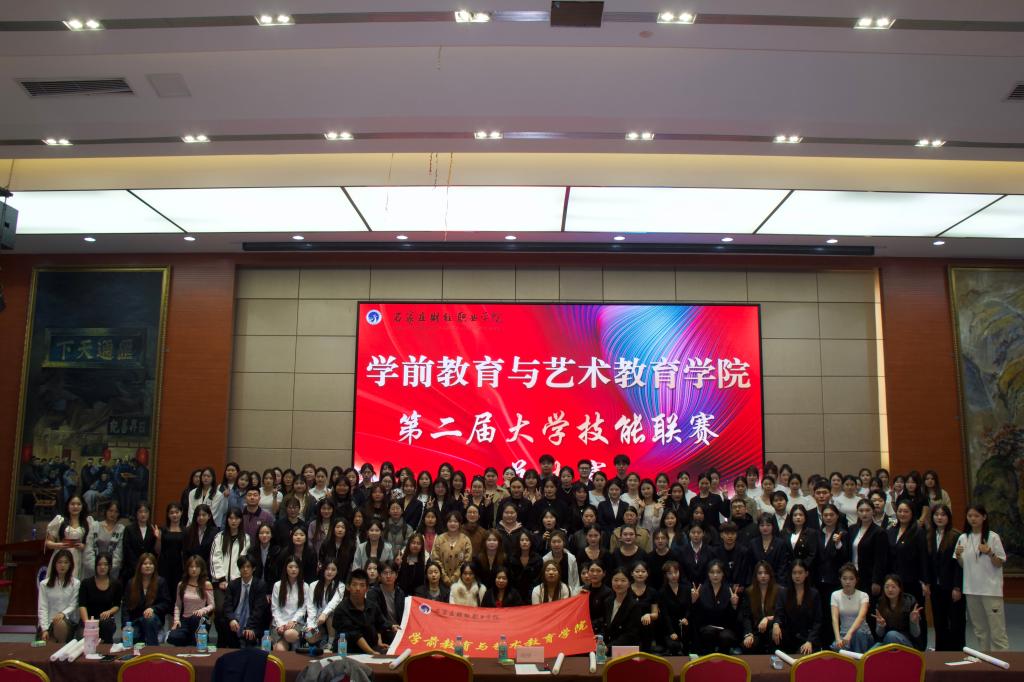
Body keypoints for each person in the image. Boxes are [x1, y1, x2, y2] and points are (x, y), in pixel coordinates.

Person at [954, 503, 1008, 651]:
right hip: (971, 590)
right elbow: (963, 565)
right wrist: (958, 556)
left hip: (990, 590)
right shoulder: (963, 538)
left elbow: (999, 563)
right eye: (970, 516)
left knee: (997, 632)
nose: (973, 519)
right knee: (980, 631)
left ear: (984, 517)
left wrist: (989, 552)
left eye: (976, 516)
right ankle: (985, 659)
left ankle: (1002, 661)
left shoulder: (993, 537)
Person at [211, 508, 252, 644]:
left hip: (237, 583)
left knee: (234, 612)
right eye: (231, 518)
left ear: (241, 520)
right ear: (227, 520)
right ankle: (222, 641)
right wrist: (221, 579)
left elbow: (244, 562)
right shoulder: (219, 537)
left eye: (236, 518)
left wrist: (236, 581)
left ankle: (233, 642)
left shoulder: (245, 538)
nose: (233, 521)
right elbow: (215, 558)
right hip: (220, 582)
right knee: (220, 610)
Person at [927, 504, 965, 651]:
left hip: (952, 586)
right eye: (936, 514)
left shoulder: (956, 536)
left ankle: (957, 652)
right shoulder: (929, 535)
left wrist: (957, 587)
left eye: (943, 515)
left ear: (948, 517)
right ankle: (941, 651)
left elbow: (958, 565)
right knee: (939, 621)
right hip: (936, 587)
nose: (939, 517)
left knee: (955, 622)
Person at [334, 569, 391, 654]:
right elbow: (355, 635)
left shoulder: (372, 606)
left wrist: (379, 643)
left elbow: (379, 625)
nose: (358, 588)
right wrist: (371, 652)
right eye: (354, 585)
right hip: (347, 652)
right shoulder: (341, 609)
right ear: (348, 587)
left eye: (362, 585)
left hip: (372, 648)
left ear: (367, 588)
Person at [886, 500, 929, 612]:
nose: (902, 514)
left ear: (912, 513)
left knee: (914, 612)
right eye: (900, 511)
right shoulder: (891, 531)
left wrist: (925, 581)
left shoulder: (918, 532)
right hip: (894, 581)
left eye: (906, 511)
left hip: (912, 580)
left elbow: (923, 558)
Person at [690, 559, 740, 654]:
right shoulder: (701, 590)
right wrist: (694, 601)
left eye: (718, 572)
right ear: (708, 574)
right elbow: (696, 616)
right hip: (707, 628)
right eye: (712, 572)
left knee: (726, 637)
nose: (715, 575)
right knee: (708, 632)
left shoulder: (729, 591)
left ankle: (724, 659)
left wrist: (734, 605)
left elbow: (734, 618)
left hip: (725, 628)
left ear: (723, 574)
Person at [771, 559, 821, 655]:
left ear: (806, 574)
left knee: (803, 653)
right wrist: (776, 624)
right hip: (789, 637)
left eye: (800, 572)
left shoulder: (814, 594)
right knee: (773, 633)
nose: (797, 576)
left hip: (807, 637)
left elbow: (817, 621)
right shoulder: (783, 593)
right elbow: (778, 613)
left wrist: (810, 641)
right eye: (794, 573)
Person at [121, 553, 172, 646]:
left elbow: (166, 603)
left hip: (154, 619)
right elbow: (125, 607)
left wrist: (153, 609)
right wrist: (125, 626)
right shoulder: (131, 583)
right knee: (130, 638)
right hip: (135, 621)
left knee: (149, 619)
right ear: (139, 566)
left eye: (151, 564)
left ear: (154, 566)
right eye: (145, 564)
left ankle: (152, 650)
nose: (148, 566)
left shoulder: (161, 582)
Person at [222, 555, 270, 648]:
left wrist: (250, 627)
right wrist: (232, 619)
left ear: (253, 568)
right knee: (222, 621)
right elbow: (227, 605)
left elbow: (258, 610)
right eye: (242, 567)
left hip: (252, 621)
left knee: (249, 641)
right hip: (235, 620)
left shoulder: (260, 585)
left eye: (248, 567)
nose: (245, 569)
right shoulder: (232, 584)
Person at [168, 556, 215, 647]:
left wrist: (202, 610)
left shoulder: (206, 584)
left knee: (195, 619)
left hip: (200, 618)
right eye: (191, 567)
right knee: (173, 637)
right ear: (187, 568)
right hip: (185, 619)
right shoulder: (181, 584)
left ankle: (196, 640)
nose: (194, 569)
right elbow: (178, 605)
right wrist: (176, 620)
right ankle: (189, 638)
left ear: (201, 568)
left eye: (197, 567)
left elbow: (212, 605)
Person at [77, 552, 122, 643]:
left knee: (106, 625)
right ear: (95, 566)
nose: (102, 567)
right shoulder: (86, 583)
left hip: (106, 620)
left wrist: (109, 612)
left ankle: (106, 648)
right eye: (99, 564)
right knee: (84, 637)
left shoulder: (116, 584)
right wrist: (88, 623)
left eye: (105, 564)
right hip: (88, 619)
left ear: (110, 566)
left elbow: (117, 605)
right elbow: (82, 605)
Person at [37, 549, 80, 644]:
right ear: (54, 564)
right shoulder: (44, 584)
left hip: (66, 622)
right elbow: (42, 608)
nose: (62, 565)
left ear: (70, 565)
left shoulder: (76, 583)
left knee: (59, 623)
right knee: (48, 647)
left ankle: (62, 646)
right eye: (59, 562)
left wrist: (63, 613)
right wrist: (44, 629)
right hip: (48, 623)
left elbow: (73, 605)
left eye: (66, 562)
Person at [830, 563, 872, 653]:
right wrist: (837, 638)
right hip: (844, 635)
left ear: (856, 580)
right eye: (844, 578)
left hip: (862, 634)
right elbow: (834, 618)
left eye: (851, 578)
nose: (847, 582)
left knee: (859, 635)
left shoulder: (864, 595)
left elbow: (861, 617)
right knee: (836, 648)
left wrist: (850, 633)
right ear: (840, 579)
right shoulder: (835, 595)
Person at [872, 574, 922, 649]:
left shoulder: (910, 601)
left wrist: (913, 622)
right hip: (887, 641)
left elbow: (916, 634)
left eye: (893, 587)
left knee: (891, 635)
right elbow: (880, 634)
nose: (890, 590)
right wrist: (880, 626)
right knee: (870, 653)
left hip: (907, 643)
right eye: (887, 587)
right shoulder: (880, 603)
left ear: (900, 588)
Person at [45, 495, 89, 580]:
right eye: (72, 504)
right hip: (61, 555)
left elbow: (90, 544)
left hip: (78, 556)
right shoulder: (60, 521)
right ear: (68, 506)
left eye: (78, 504)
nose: (75, 506)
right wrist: (59, 545)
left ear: (82, 506)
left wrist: (83, 546)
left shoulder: (87, 523)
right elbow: (48, 543)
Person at [848, 499, 885, 599]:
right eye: (861, 510)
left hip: (869, 576)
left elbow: (880, 559)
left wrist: (876, 581)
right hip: (853, 574)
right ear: (857, 512)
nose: (864, 513)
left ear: (873, 511)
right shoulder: (852, 529)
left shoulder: (879, 532)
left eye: (867, 510)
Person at [270, 556, 307, 651]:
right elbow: (275, 608)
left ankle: (296, 643)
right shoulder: (277, 585)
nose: (293, 569)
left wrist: (293, 621)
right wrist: (280, 625)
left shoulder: (304, 586)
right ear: (286, 568)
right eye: (290, 567)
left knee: (289, 634)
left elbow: (303, 608)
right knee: (280, 650)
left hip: (296, 623)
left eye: (296, 567)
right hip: (278, 624)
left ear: (299, 569)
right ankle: (290, 643)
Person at [305, 560, 345, 650]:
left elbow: (334, 603)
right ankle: (322, 637)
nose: (329, 572)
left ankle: (330, 643)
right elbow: (311, 607)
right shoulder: (313, 585)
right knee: (308, 636)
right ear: (323, 569)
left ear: (337, 571)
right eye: (327, 569)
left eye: (333, 569)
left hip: (332, 620)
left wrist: (324, 614)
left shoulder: (340, 586)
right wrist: (311, 625)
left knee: (330, 614)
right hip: (317, 621)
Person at [740, 560, 778, 654]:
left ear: (770, 575)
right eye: (760, 573)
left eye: (766, 573)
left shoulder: (779, 591)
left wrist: (767, 619)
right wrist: (749, 634)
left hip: (774, 628)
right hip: (756, 631)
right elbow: (746, 616)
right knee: (747, 645)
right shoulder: (749, 591)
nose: (763, 576)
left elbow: (782, 614)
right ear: (756, 576)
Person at [655, 560, 691, 655]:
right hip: (670, 626)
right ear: (666, 575)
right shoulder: (662, 592)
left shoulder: (686, 588)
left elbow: (689, 607)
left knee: (688, 645)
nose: (674, 575)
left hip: (685, 624)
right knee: (674, 646)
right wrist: (671, 632)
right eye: (670, 573)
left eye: (676, 572)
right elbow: (665, 614)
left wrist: (686, 618)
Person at [82, 500, 124, 579]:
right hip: (92, 569)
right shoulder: (95, 526)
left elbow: (119, 553)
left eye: (116, 512)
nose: (113, 514)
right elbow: (89, 548)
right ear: (106, 511)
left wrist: (107, 568)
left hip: (112, 571)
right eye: (110, 511)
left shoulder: (121, 529)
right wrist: (97, 568)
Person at [602, 566, 641, 646]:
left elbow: (630, 635)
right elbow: (604, 625)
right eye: (615, 580)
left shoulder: (634, 605)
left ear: (629, 583)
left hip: (625, 648)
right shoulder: (608, 601)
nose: (619, 584)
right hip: (606, 645)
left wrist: (609, 647)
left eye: (623, 580)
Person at [121, 502, 159, 585]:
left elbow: (154, 551)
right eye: (140, 512)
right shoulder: (129, 529)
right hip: (131, 569)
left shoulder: (153, 529)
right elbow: (127, 549)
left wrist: (158, 537)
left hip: (148, 568)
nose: (143, 514)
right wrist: (137, 566)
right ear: (136, 513)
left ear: (149, 513)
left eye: (146, 512)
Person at [748, 513, 792, 586]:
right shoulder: (753, 543)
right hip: (757, 583)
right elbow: (751, 566)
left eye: (768, 525)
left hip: (776, 582)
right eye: (762, 525)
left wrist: (779, 584)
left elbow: (782, 566)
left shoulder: (780, 543)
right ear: (758, 527)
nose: (765, 528)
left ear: (773, 526)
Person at [430, 512, 472, 586]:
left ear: (459, 523)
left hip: (461, 581)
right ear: (446, 523)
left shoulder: (465, 540)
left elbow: (467, 561)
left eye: (455, 521)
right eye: (450, 521)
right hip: (440, 581)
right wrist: (444, 577)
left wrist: (455, 577)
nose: (452, 524)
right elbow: (435, 559)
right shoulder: (440, 539)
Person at [367, 561, 404, 643]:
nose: (388, 576)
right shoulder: (373, 593)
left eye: (392, 573)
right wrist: (389, 626)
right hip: (381, 631)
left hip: (398, 630)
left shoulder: (400, 593)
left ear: (396, 575)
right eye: (385, 573)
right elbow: (374, 616)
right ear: (379, 576)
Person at [543, 530, 580, 595]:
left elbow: (576, 580)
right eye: (554, 542)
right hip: (551, 593)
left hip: (569, 593)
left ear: (564, 543)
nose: (556, 544)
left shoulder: (571, 558)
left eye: (559, 541)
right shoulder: (545, 559)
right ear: (549, 543)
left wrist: (573, 595)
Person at [182, 503, 217, 570]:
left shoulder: (215, 532)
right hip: (192, 568)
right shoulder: (188, 531)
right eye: (198, 515)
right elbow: (185, 553)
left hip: (208, 568)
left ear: (209, 516)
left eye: (204, 515)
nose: (201, 517)